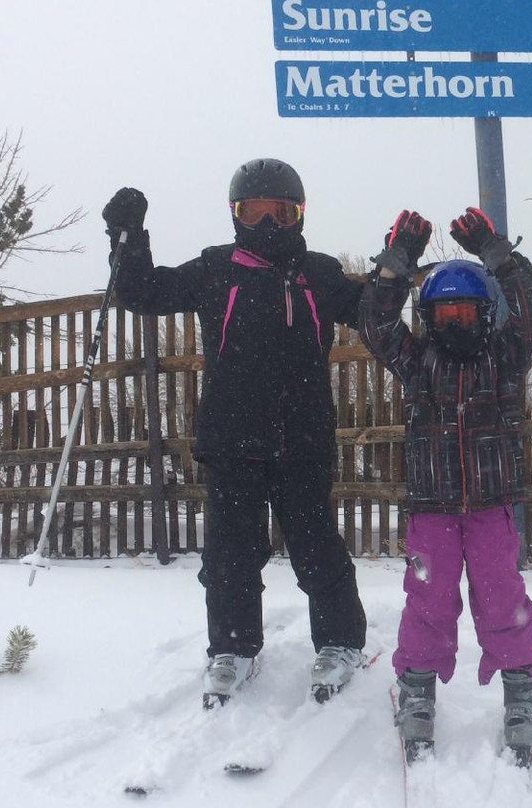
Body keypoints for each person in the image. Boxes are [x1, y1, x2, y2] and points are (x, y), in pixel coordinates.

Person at [102, 158, 368, 709]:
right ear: (236, 215)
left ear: (298, 215)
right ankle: (233, 648)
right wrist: (127, 238)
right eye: (256, 212)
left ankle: (340, 642)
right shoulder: (214, 268)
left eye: (281, 213)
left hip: (303, 440)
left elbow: (374, 311)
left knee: (316, 547)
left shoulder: (317, 272)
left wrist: (396, 268)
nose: (269, 225)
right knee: (229, 553)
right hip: (232, 439)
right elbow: (144, 292)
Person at [359, 206, 532, 765]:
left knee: (501, 595)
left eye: (466, 314)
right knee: (428, 598)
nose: (455, 325)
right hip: (432, 509)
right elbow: (374, 326)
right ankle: (417, 685)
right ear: (427, 319)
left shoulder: (506, 358)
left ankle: (521, 691)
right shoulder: (417, 362)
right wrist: (395, 268)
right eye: (444, 315)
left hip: (491, 507)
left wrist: (499, 255)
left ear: (487, 316)